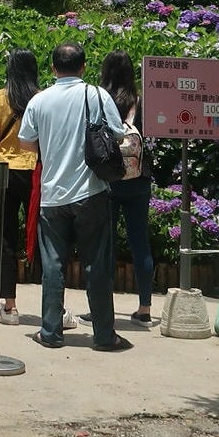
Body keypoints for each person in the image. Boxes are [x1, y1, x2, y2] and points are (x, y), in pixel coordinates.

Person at [18, 43, 132, 352]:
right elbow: (119, 135)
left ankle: (51, 332)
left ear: (53, 68)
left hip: (52, 195)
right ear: (83, 67)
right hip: (91, 191)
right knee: (96, 264)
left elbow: (27, 144)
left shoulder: (38, 101)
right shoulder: (96, 95)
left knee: (53, 265)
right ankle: (105, 336)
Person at [0, 48, 42, 325]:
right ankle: (52, 303)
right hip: (34, 172)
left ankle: (10, 305)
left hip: (3, 172)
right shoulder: (42, 98)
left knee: (5, 238)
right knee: (42, 235)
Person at [100, 51, 156, 325]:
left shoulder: (101, 101)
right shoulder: (141, 102)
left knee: (105, 245)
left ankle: (104, 307)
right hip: (139, 180)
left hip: (108, 180)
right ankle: (145, 308)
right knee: (140, 243)